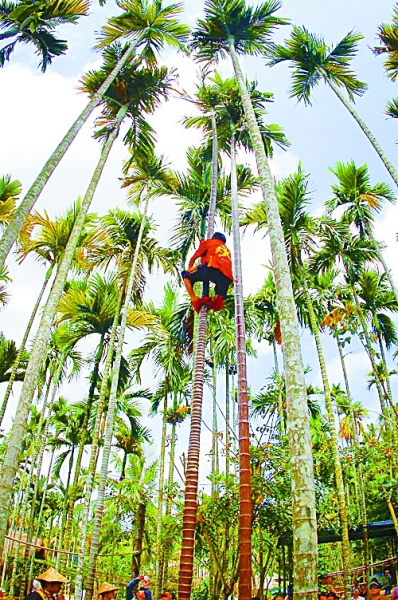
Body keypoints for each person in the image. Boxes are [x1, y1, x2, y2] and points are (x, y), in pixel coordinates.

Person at [181, 232, 234, 313]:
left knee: (185, 275)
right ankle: (212, 302)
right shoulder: (227, 250)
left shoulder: (209, 243)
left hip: (212, 268)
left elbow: (194, 257)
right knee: (219, 297)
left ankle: (194, 299)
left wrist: (190, 269)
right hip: (226, 277)